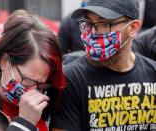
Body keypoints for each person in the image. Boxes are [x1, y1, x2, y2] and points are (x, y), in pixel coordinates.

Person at [50, 0, 156, 131]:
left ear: (133, 28)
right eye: (89, 23)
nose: (95, 33)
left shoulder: (153, 74)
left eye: (105, 24)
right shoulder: (72, 79)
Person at [0, 9, 65, 131]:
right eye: (28, 80)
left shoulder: (48, 97)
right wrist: (24, 123)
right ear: (4, 62)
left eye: (41, 85)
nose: (34, 92)